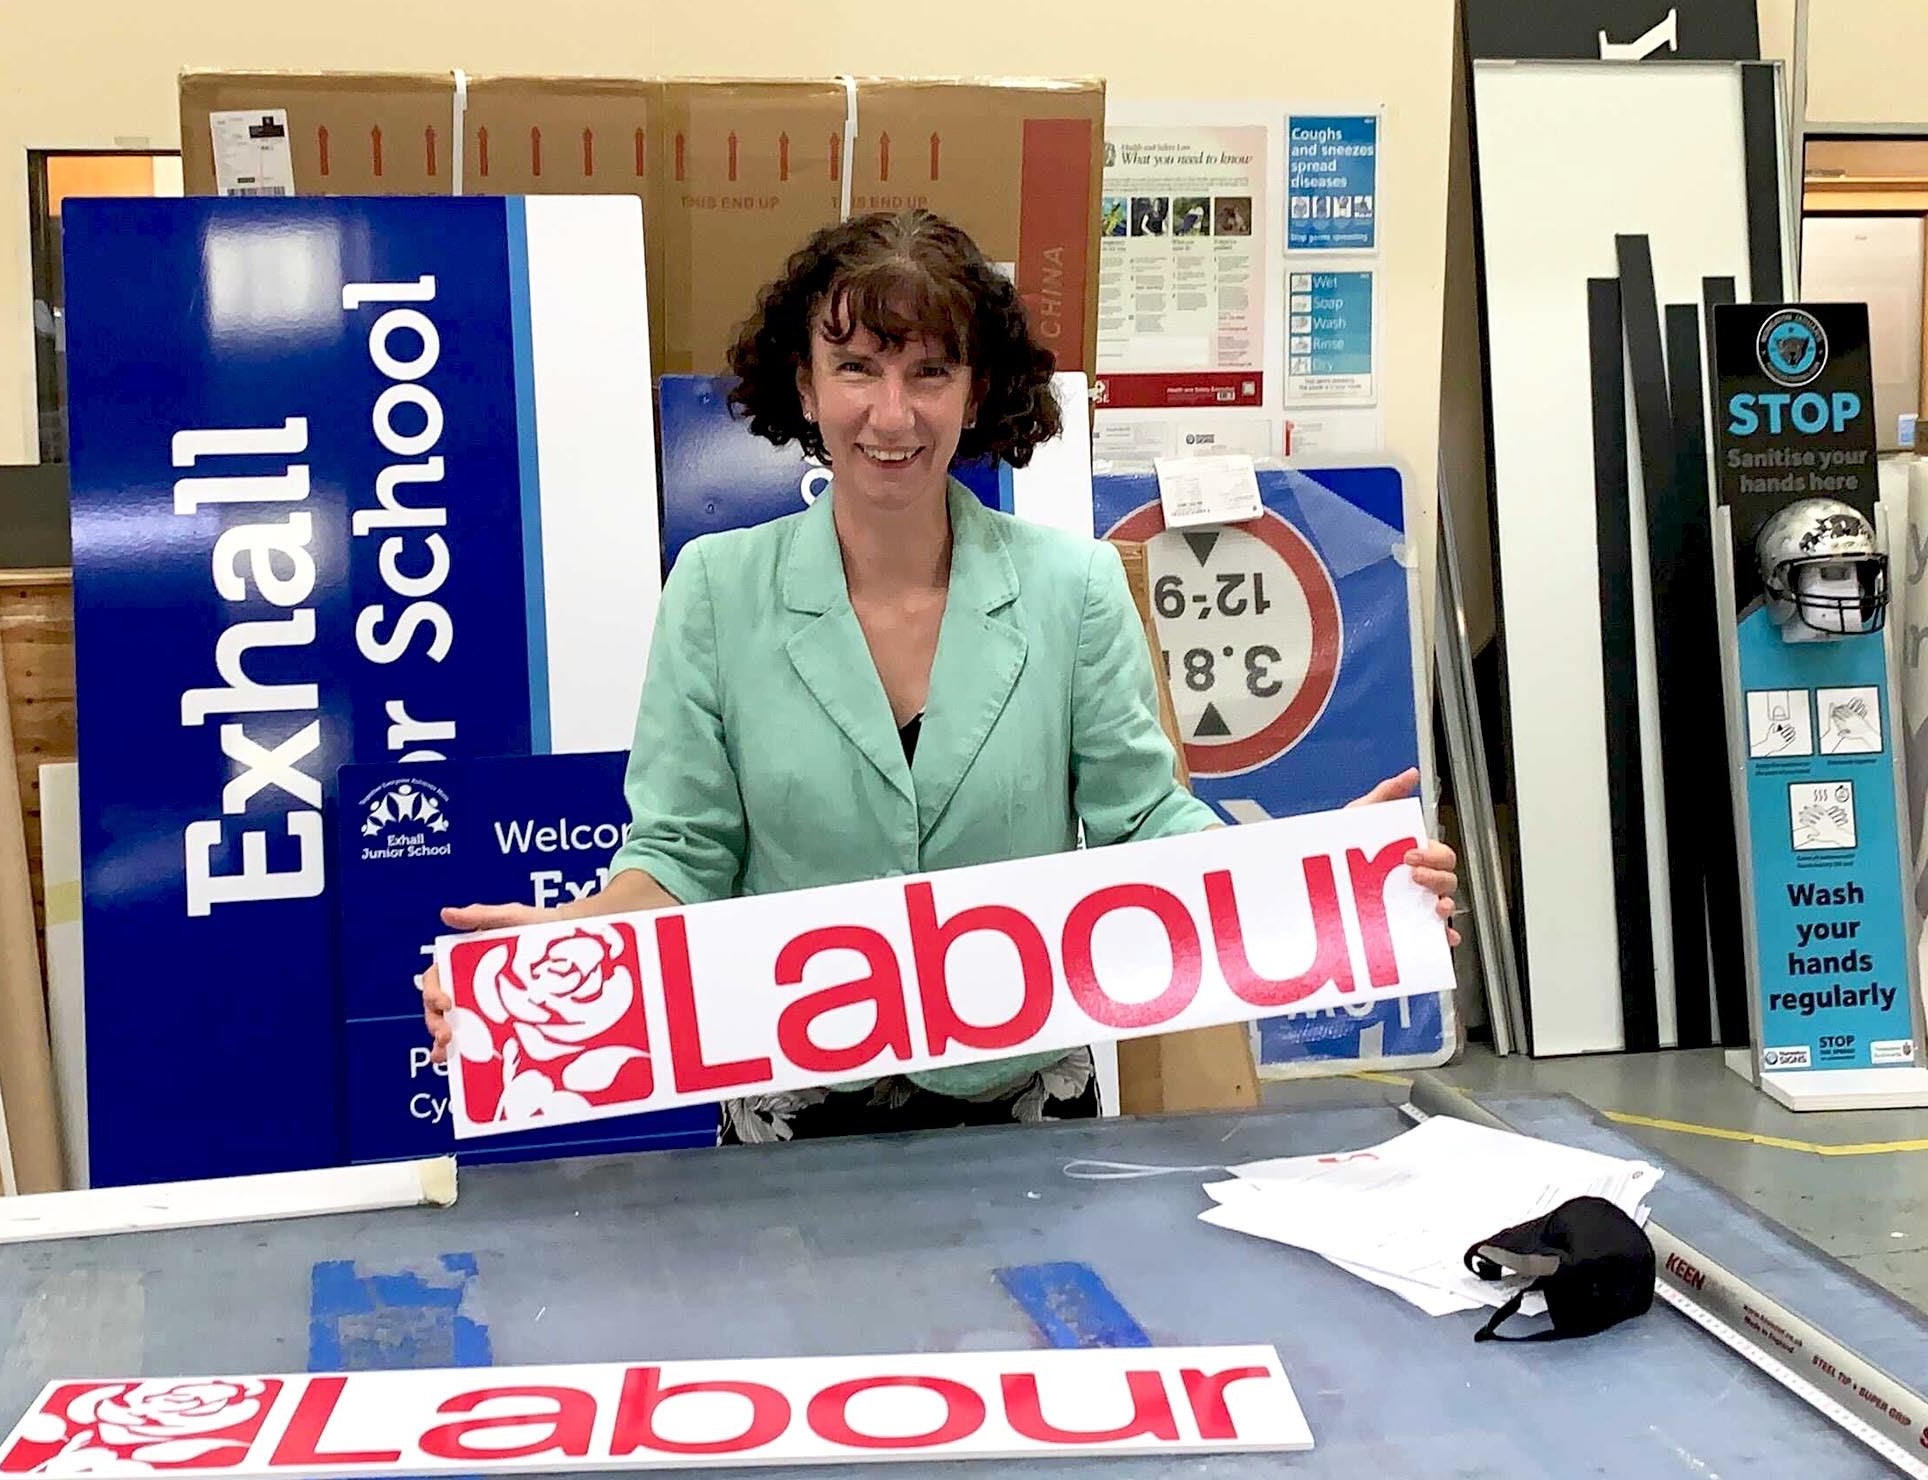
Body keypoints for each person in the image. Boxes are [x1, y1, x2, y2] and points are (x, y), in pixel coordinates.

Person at [422, 210, 1459, 1143]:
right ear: (803, 383)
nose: (891, 413)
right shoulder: (716, 589)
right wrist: (564, 949)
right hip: (786, 1109)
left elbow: (1141, 824)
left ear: (977, 391)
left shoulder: (1073, 586)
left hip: (1022, 1103)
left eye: (928, 373)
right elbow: (684, 852)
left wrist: (1324, 874)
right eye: (858, 369)